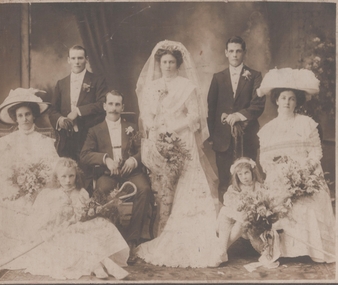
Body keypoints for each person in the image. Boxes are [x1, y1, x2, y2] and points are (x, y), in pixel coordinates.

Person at [135, 40, 223, 268]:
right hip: (159, 141)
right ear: (159, 63)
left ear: (178, 64)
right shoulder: (152, 86)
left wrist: (172, 128)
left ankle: (190, 235)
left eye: (172, 62)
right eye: (164, 62)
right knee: (164, 185)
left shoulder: (186, 86)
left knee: (188, 185)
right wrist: (155, 129)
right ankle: (161, 228)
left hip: (182, 140)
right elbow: (147, 115)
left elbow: (194, 116)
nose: (167, 66)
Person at [0, 88, 59, 272]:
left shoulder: (44, 141)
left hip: (41, 186)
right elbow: (4, 170)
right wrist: (20, 184)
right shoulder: (7, 141)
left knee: (50, 202)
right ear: (15, 118)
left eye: (28, 114)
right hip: (13, 184)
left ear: (33, 116)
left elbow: (53, 167)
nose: (25, 118)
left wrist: (38, 182)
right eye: (20, 115)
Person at [257, 68, 335, 263]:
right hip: (280, 176)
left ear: (297, 101)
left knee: (309, 201)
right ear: (276, 100)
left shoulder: (307, 124)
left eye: (291, 98)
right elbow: (265, 159)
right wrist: (280, 172)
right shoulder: (268, 130)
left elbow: (316, 151)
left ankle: (312, 250)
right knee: (278, 199)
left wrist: (303, 171)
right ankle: (283, 251)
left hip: (305, 175)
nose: (287, 102)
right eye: (283, 98)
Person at [8, 158, 129, 280]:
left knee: (95, 232)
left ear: (76, 176)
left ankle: (105, 265)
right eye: (63, 177)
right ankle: (100, 266)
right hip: (61, 231)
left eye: (71, 176)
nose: (68, 180)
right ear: (57, 178)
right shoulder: (51, 195)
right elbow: (45, 219)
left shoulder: (81, 192)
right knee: (79, 240)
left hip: (79, 227)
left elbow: (85, 214)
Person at [80, 90, 153, 264]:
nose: (114, 108)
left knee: (144, 189)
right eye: (110, 104)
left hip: (131, 173)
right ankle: (110, 240)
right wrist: (106, 160)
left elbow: (145, 149)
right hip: (108, 174)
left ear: (123, 107)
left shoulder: (132, 127)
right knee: (101, 191)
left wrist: (134, 161)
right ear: (105, 106)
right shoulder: (95, 130)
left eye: (117, 104)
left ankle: (132, 240)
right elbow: (84, 155)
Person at [207, 36, 265, 201]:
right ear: (226, 53)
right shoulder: (218, 78)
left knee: (248, 180)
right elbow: (211, 109)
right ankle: (226, 220)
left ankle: (250, 218)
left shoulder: (254, 76)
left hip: (247, 137)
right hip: (223, 139)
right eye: (231, 51)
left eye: (238, 51)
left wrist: (238, 116)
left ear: (244, 53)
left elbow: (258, 104)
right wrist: (213, 136)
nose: (234, 55)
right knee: (225, 181)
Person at [49, 45, 108, 190]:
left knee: (85, 174)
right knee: (66, 174)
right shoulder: (61, 83)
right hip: (66, 138)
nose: (77, 62)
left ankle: (85, 207)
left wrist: (78, 111)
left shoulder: (97, 80)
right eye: (73, 58)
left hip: (88, 135)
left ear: (86, 60)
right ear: (68, 60)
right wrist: (60, 120)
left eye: (80, 58)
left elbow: (102, 104)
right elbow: (52, 109)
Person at [216, 157, 264, 262]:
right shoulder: (234, 188)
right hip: (236, 219)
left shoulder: (259, 187)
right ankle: (221, 252)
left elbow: (261, 204)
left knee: (243, 217)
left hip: (251, 221)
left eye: (246, 173)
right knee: (225, 212)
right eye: (240, 174)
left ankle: (220, 251)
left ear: (252, 172)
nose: (244, 177)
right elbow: (229, 203)